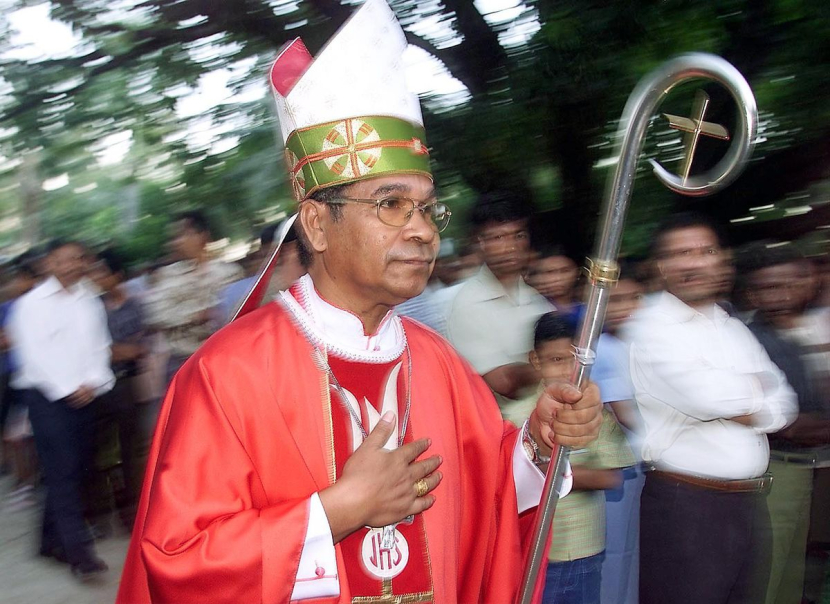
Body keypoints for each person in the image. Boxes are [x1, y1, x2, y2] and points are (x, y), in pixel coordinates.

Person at [117, 1, 602, 602]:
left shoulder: (439, 364)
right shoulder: (226, 373)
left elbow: (487, 497)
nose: (424, 230)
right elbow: (180, 561)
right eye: (391, 204)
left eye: (427, 208)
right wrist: (339, 509)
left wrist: (538, 442)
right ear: (317, 225)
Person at [627, 213, 798, 604]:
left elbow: (785, 405)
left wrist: (745, 399)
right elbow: (709, 399)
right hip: (687, 507)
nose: (694, 262)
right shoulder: (653, 326)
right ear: (662, 266)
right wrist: (755, 390)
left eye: (705, 251)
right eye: (681, 253)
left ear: (720, 260)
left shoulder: (730, 325)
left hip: (747, 505)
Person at [7, 240, 115, 580]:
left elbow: (101, 347)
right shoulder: (30, 305)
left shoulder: (90, 300)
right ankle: (80, 556)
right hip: (48, 399)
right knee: (64, 474)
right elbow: (34, 356)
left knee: (75, 470)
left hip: (87, 394)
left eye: (78, 258)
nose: (72, 264)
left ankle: (46, 541)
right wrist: (69, 387)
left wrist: (92, 382)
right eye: (63, 259)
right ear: (48, 264)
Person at [524, 313, 634, 604]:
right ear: (535, 361)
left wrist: (544, 467)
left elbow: (611, 476)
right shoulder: (514, 414)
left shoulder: (596, 413)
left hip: (580, 551)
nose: (566, 371)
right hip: (525, 549)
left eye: (573, 360)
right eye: (555, 360)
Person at [744, 244, 830, 604]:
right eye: (769, 287)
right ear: (753, 293)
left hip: (810, 468)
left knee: (795, 572)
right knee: (770, 571)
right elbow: (786, 425)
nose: (780, 295)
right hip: (776, 467)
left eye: (788, 284)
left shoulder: (806, 329)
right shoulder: (752, 339)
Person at [447, 191, 553, 418]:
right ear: (480, 242)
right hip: (505, 430)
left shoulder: (536, 298)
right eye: (498, 237)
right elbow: (504, 382)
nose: (510, 246)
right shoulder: (468, 304)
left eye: (518, 235)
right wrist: (556, 364)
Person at [592, 262, 645, 604]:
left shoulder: (640, 344)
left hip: (642, 463)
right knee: (616, 551)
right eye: (616, 300)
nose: (625, 308)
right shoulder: (605, 349)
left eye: (633, 298)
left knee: (631, 551)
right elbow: (626, 415)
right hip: (621, 464)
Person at [88, 249, 149, 530]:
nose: (97, 277)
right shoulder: (91, 307)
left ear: (117, 275)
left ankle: (130, 515)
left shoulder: (136, 305)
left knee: (130, 450)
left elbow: (138, 349)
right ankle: (102, 513)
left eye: (102, 271)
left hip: (126, 384)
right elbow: (91, 350)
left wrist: (109, 350)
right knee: (100, 453)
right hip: (98, 386)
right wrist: (111, 351)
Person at [144, 210, 243, 381]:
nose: (175, 242)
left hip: (226, 356)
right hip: (183, 361)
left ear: (202, 236)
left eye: (182, 235)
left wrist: (185, 309)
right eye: (173, 237)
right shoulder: (166, 276)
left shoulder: (229, 273)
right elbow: (157, 315)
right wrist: (198, 314)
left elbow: (238, 311)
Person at [528, 243, 583, 326]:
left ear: (578, 273)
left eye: (565, 271)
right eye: (550, 272)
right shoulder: (529, 308)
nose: (557, 278)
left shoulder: (587, 311)